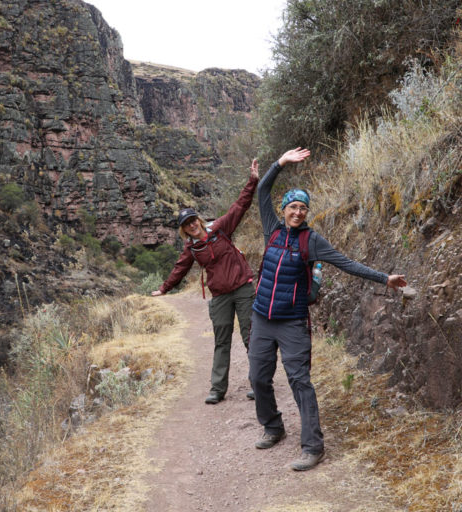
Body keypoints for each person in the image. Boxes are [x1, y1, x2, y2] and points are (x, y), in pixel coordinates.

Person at [249, 147, 407, 471]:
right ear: (283, 210)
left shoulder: (312, 241)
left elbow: (347, 264)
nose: (297, 213)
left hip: (292, 322)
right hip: (262, 318)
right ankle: (273, 427)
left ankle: (313, 447)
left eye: (303, 208)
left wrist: (384, 279)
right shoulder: (272, 229)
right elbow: (262, 189)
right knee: (257, 378)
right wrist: (280, 162)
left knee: (300, 381)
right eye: (293, 207)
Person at [152, 159, 260, 404]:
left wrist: (252, 181)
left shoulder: (220, 229)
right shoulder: (192, 248)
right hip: (220, 296)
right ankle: (217, 389)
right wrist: (164, 288)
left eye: (192, 220)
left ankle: (259, 382)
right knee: (222, 341)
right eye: (186, 225)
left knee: (251, 336)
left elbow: (239, 207)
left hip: (243, 288)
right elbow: (180, 268)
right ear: (184, 230)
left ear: (198, 220)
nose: (191, 225)